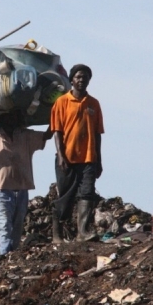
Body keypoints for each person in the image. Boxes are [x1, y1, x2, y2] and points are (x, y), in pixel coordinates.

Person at [0, 110, 53, 260]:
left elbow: (46, 136)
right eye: (7, 117)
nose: (11, 119)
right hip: (2, 191)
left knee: (17, 228)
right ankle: (5, 255)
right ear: (1, 119)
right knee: (5, 225)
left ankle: (12, 256)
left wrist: (56, 116)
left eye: (14, 116)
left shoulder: (25, 135)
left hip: (22, 190)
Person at [51, 64, 104, 244]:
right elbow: (57, 131)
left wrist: (99, 160)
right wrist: (60, 155)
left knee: (87, 194)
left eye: (85, 77)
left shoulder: (94, 104)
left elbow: (97, 134)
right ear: (72, 79)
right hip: (67, 157)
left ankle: (82, 232)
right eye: (78, 77)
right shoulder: (62, 102)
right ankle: (56, 235)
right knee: (65, 196)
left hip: (88, 157)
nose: (82, 80)